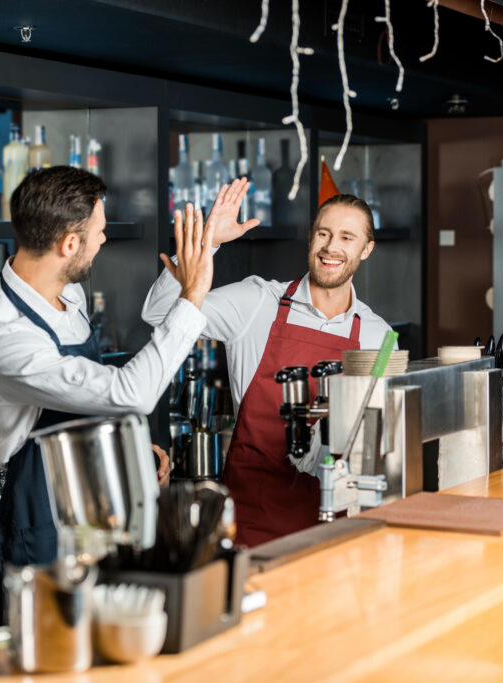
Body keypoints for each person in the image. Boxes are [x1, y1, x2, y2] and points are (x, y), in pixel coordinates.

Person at [0, 166, 214, 569]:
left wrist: (126, 448)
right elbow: (129, 392)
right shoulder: (6, 338)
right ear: (68, 243)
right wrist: (195, 294)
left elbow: (91, 393)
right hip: (47, 516)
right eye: (99, 230)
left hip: (99, 495)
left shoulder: (68, 291)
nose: (103, 238)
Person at [142, 180, 394, 547]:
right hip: (252, 519)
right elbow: (158, 311)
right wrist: (209, 241)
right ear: (311, 238)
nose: (331, 247)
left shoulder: (378, 336)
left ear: (366, 249)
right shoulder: (258, 302)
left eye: (346, 237)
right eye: (323, 233)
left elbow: (378, 444)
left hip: (336, 525)